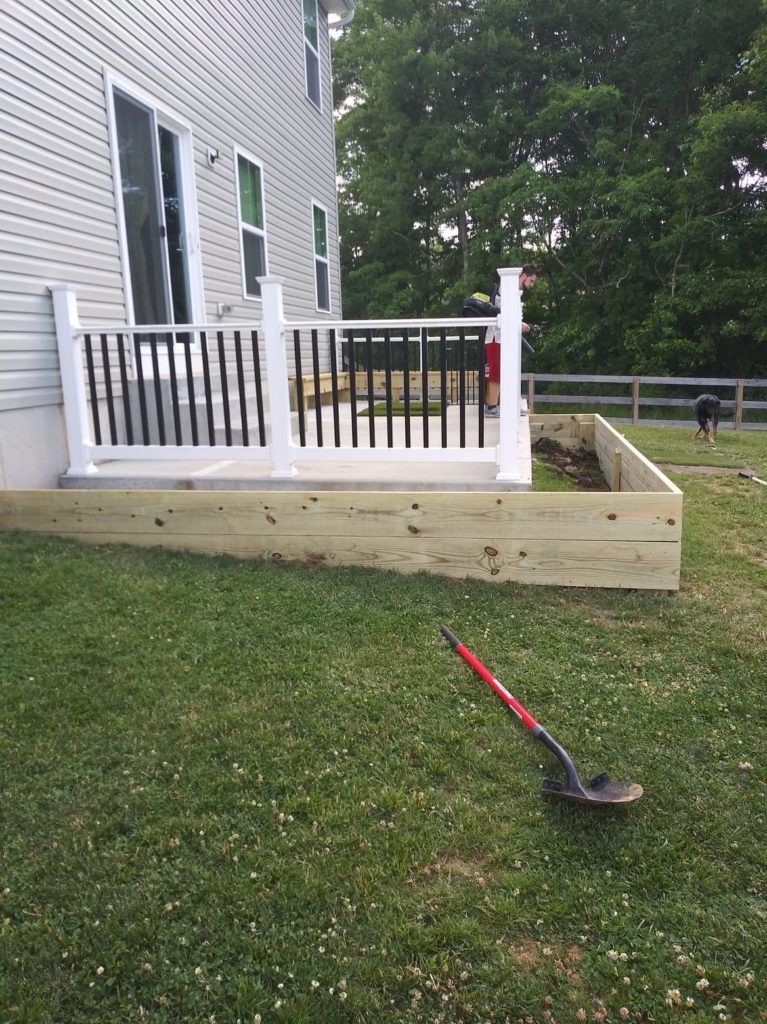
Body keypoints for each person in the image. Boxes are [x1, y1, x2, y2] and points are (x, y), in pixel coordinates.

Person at [484, 265, 538, 416]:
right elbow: (505, 314)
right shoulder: (507, 288)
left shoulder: (514, 291)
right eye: (531, 281)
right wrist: (520, 325)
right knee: (496, 373)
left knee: (507, 372)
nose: (531, 285)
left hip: (504, 338)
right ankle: (491, 408)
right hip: (497, 337)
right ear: (523, 276)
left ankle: (508, 404)